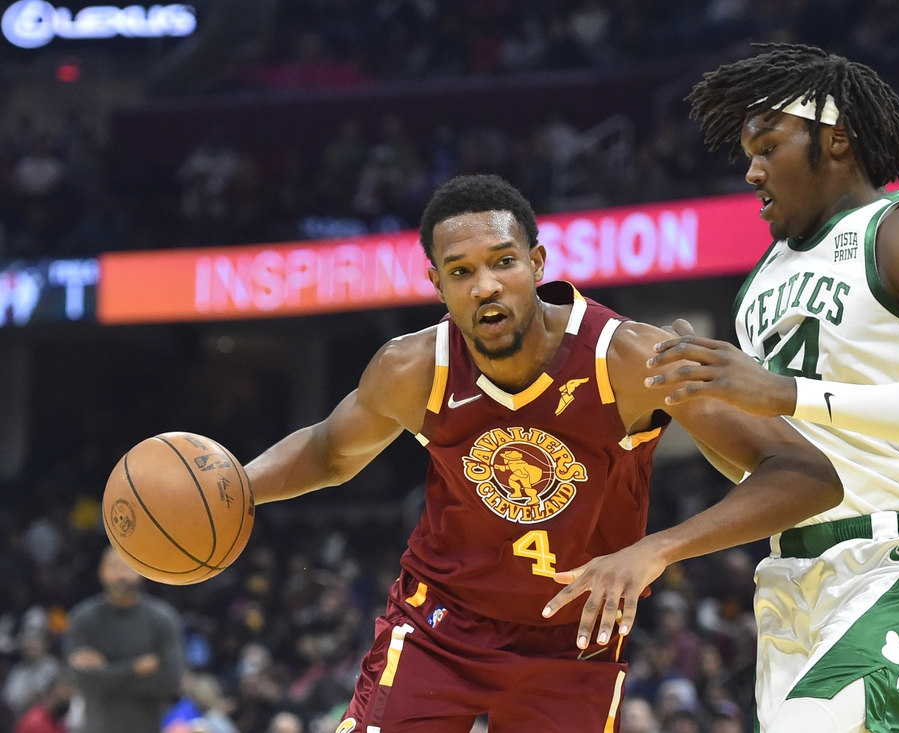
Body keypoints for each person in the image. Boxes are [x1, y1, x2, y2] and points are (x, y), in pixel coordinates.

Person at [243, 173, 842, 732]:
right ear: (437, 285)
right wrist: (235, 492)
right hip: (440, 627)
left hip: (575, 640)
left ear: (536, 263)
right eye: (461, 271)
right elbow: (327, 451)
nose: (486, 286)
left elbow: (805, 473)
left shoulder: (629, 358)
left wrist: (657, 550)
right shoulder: (412, 367)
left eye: (503, 262)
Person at [543, 44, 899, 733]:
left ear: (837, 139)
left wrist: (785, 392)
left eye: (767, 145)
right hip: (790, 580)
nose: (752, 169)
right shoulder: (760, 283)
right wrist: (695, 401)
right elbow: (765, 462)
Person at [65, 547, 185, 733]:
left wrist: (104, 672)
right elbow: (78, 680)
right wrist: (135, 668)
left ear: (141, 571)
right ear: (102, 571)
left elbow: (170, 682)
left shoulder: (163, 619)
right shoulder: (82, 618)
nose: (121, 574)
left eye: (128, 566)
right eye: (114, 566)